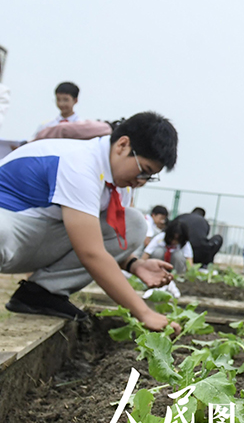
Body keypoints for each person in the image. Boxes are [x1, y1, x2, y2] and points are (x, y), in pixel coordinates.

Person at [0, 111, 181, 331]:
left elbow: (94, 237)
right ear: (122, 145)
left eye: (149, 177)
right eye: (144, 170)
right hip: (10, 228)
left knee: (133, 223)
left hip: (34, 239)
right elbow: (90, 252)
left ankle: (41, 293)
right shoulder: (79, 163)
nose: (141, 181)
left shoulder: (119, 183)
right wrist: (144, 313)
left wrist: (135, 264)